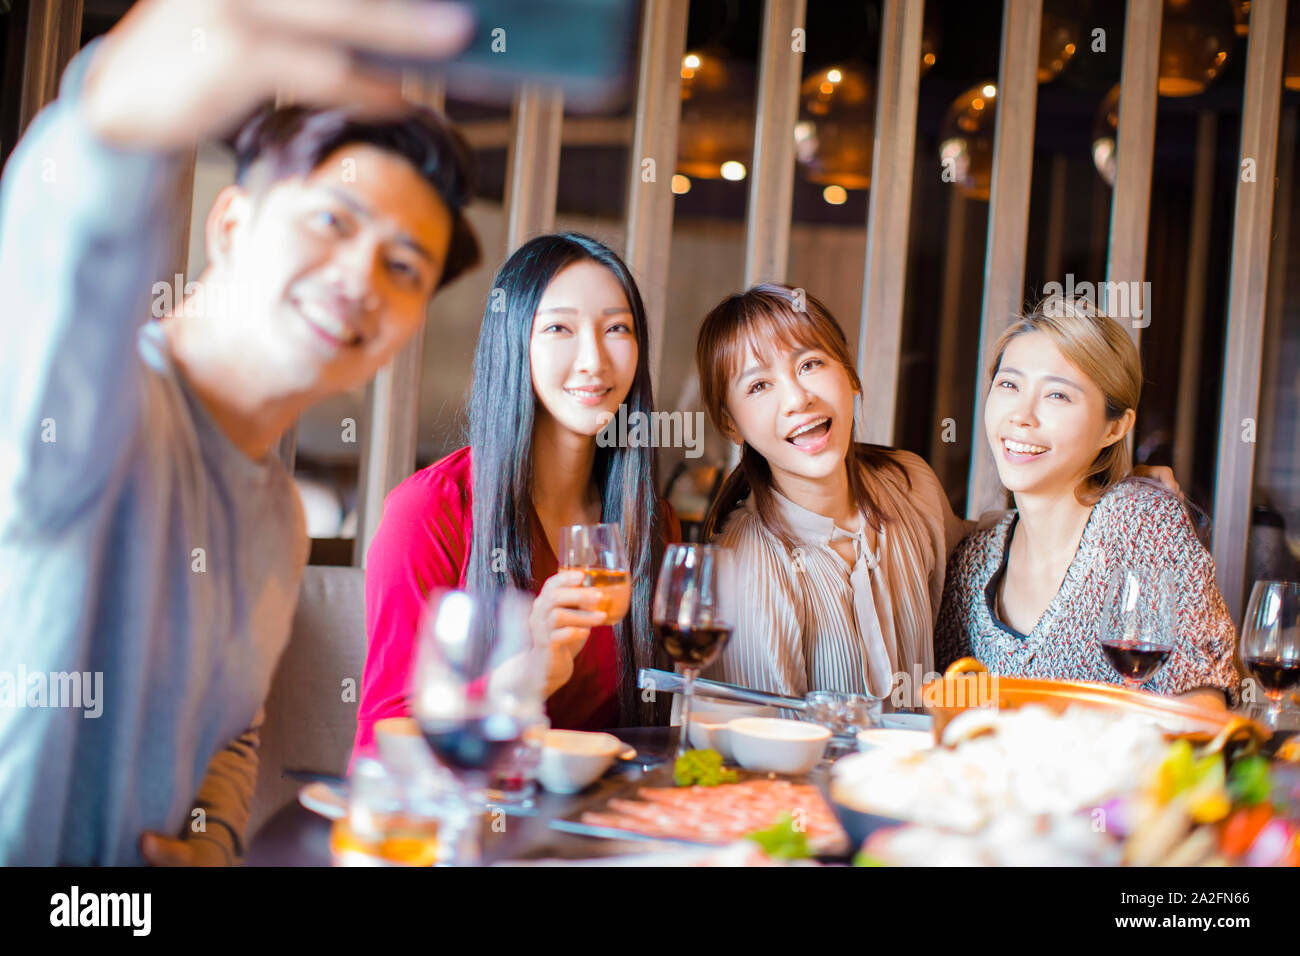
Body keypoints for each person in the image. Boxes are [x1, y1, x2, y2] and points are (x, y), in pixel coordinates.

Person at [0, 0, 479, 865]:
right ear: (229, 225)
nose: (359, 277)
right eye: (333, 220)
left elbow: (229, 730)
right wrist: (115, 120)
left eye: (403, 267)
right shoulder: (103, 413)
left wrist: (212, 837)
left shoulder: (281, 521)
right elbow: (62, 271)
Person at [353, 233, 680, 759]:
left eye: (617, 328)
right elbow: (381, 747)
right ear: (513, 343)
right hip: (473, 824)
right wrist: (525, 673)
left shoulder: (651, 522)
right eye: (559, 328)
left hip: (603, 825)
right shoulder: (430, 510)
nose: (594, 359)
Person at [933, 296, 1238, 706]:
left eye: (1057, 395)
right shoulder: (975, 559)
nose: (1022, 415)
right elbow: (948, 712)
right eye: (1009, 384)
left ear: (1114, 427)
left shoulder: (1139, 524)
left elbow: (1201, 708)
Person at [693, 284, 969, 705]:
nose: (798, 398)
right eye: (759, 386)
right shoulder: (745, 563)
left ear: (850, 375)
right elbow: (765, 753)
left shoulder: (911, 486)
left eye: (810, 363)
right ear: (731, 425)